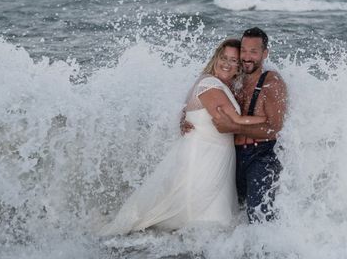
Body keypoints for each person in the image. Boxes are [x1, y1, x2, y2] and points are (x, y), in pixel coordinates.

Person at [100, 39, 266, 235]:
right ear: (216, 58)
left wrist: (182, 119)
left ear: (239, 67)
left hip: (214, 154)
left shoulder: (218, 84)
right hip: (203, 156)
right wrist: (268, 121)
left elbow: (189, 108)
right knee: (202, 217)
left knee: (209, 216)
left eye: (233, 61)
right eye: (223, 58)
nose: (227, 64)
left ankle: (188, 255)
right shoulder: (210, 83)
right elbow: (235, 119)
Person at [212, 27, 287, 223]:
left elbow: (274, 128)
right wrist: (186, 116)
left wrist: (234, 127)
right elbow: (206, 94)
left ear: (265, 54)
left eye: (253, 52)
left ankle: (270, 252)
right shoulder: (234, 80)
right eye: (243, 50)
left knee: (259, 213)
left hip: (262, 155)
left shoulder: (272, 82)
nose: (247, 57)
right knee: (232, 213)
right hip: (233, 155)